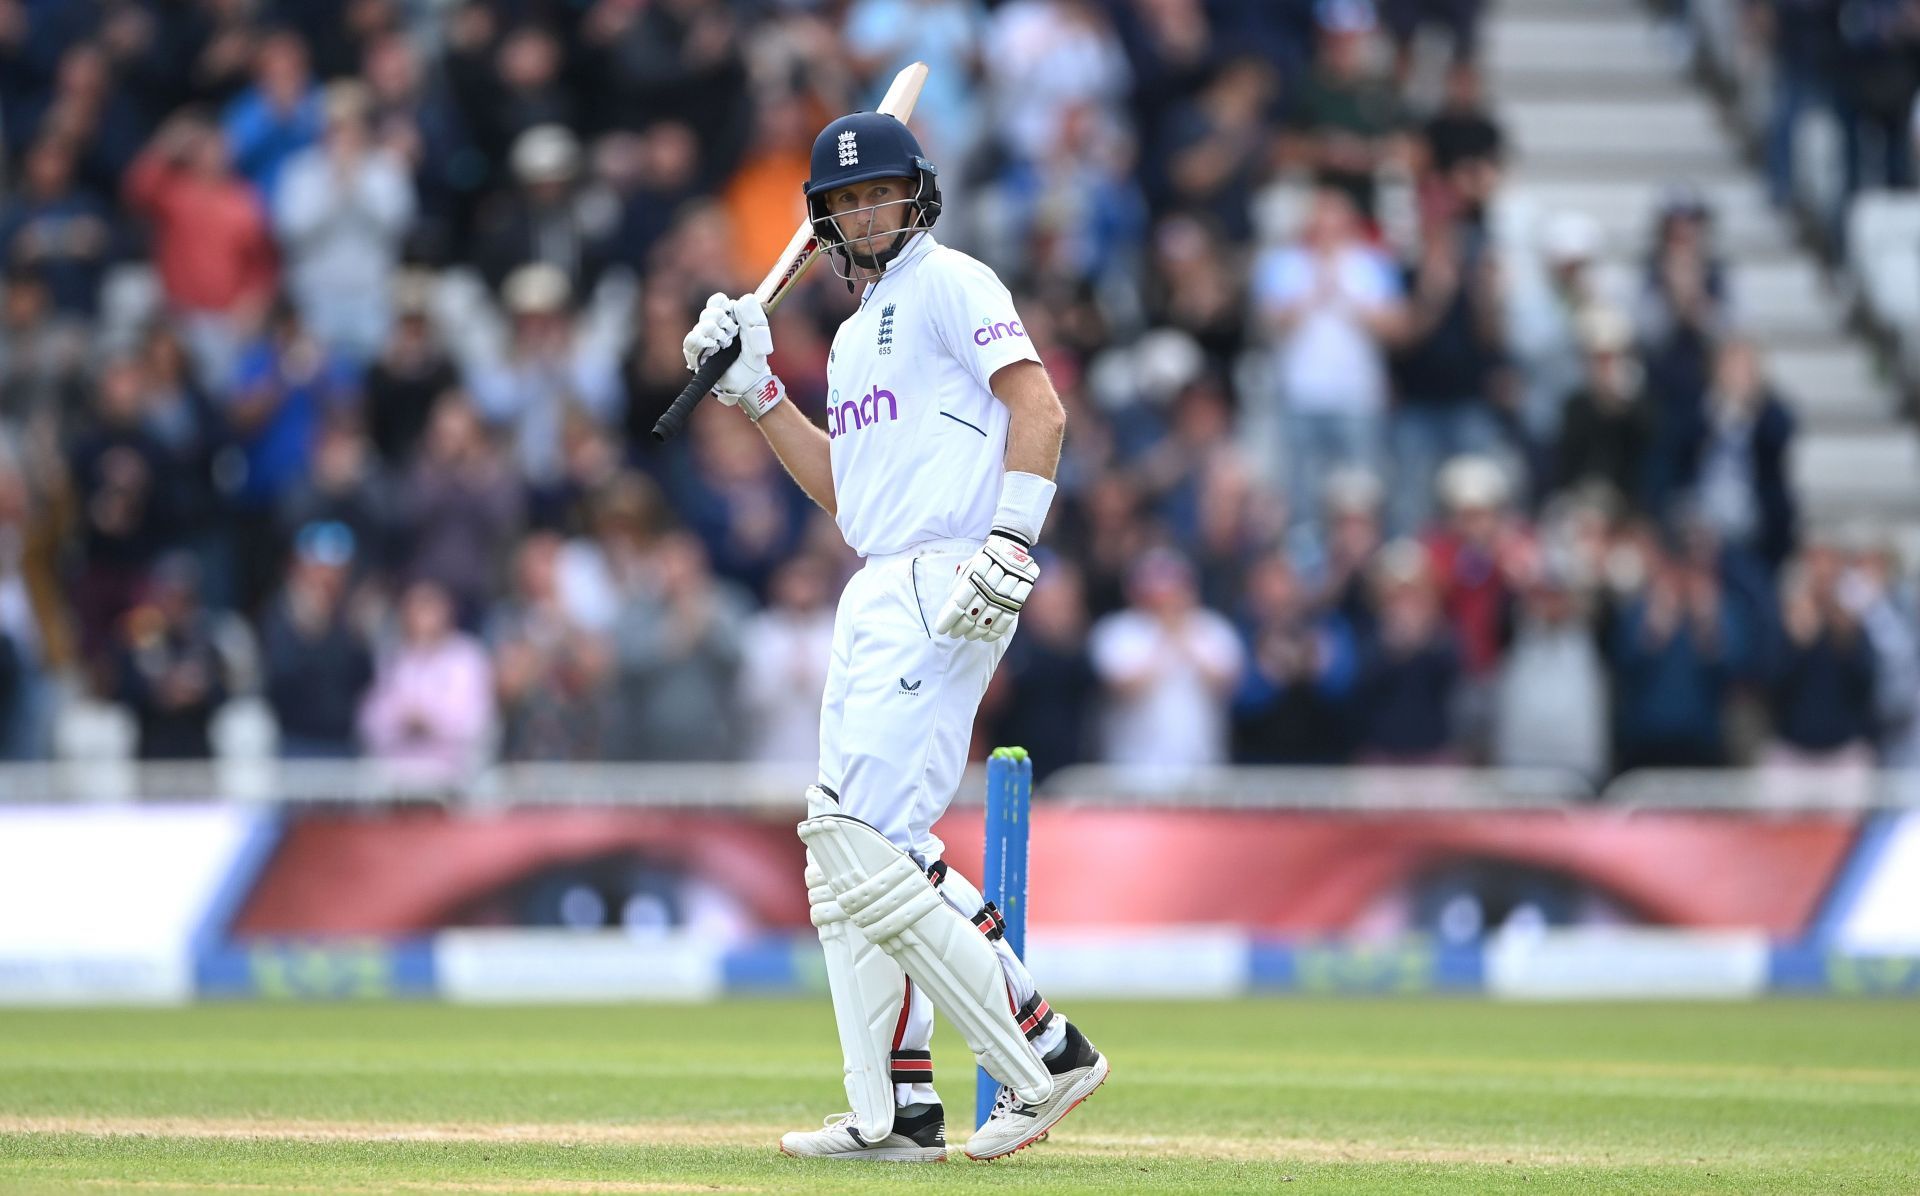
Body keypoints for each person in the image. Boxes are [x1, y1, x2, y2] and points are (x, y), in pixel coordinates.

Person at [680, 110, 1105, 1162]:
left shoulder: (954, 281)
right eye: (847, 200)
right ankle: (899, 1107)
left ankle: (1039, 1057)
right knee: (853, 850)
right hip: (878, 581)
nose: (867, 211)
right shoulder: (850, 332)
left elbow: (1040, 409)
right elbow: (847, 493)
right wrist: (758, 391)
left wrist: (1012, 543)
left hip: (951, 568)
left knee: (864, 848)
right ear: (823, 222)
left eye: (881, 192)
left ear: (916, 194)